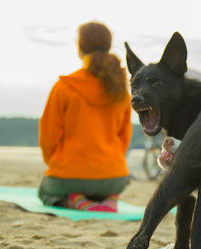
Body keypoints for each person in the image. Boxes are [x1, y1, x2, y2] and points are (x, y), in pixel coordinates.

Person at [38, 21, 132, 212]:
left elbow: (48, 136)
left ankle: (77, 200)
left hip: (71, 175)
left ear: (80, 48)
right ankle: (110, 199)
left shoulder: (64, 86)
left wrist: (58, 165)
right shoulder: (121, 90)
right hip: (115, 177)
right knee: (103, 186)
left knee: (44, 192)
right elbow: (124, 137)